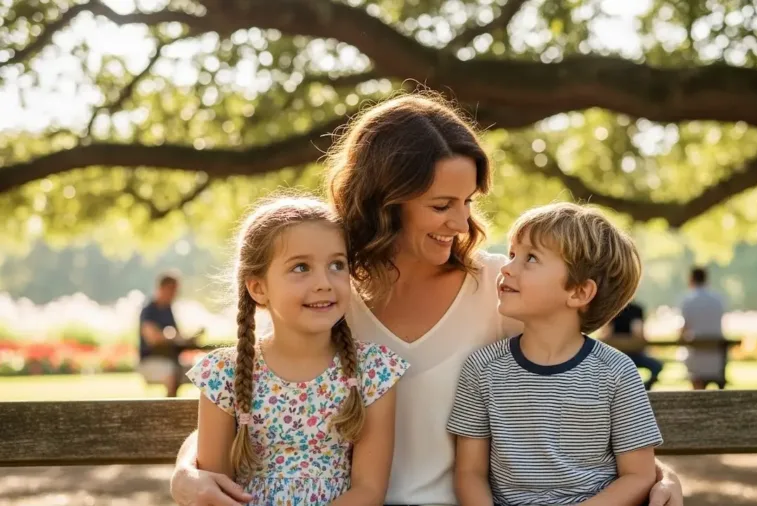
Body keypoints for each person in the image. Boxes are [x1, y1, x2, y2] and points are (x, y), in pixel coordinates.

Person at [168, 93, 685, 506]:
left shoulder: (501, 291)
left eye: (467, 203)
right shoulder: (326, 293)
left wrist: (659, 477)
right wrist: (186, 472)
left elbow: (580, 399)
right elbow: (256, 398)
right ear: (385, 200)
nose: (461, 224)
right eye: (441, 204)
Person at [185, 196, 409, 505]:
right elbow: (214, 491)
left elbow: (368, 491)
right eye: (301, 267)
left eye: (337, 265)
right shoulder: (224, 374)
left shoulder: (373, 369)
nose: (324, 282)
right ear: (258, 287)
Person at [449, 203, 663, 506]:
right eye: (512, 254)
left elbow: (639, 475)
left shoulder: (617, 373)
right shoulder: (482, 368)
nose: (507, 268)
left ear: (578, 293)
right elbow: (469, 473)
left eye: (531, 258)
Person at [138, 271, 202, 397]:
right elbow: (153, 338)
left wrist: (188, 339)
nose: (175, 294)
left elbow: (176, 336)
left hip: (172, 360)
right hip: (151, 360)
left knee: (203, 372)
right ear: (162, 288)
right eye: (172, 289)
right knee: (171, 374)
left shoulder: (168, 310)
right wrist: (171, 337)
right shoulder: (149, 310)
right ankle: (169, 412)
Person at [679, 267, 727, 390]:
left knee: (689, 362)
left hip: (697, 358)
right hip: (717, 358)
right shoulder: (718, 299)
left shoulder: (688, 300)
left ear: (691, 279)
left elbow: (685, 329)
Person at [608, 301, 664, 390]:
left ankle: (643, 389)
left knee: (656, 366)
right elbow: (639, 333)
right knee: (656, 366)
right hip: (623, 353)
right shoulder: (614, 310)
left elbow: (607, 334)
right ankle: (642, 389)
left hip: (631, 353)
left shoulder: (616, 309)